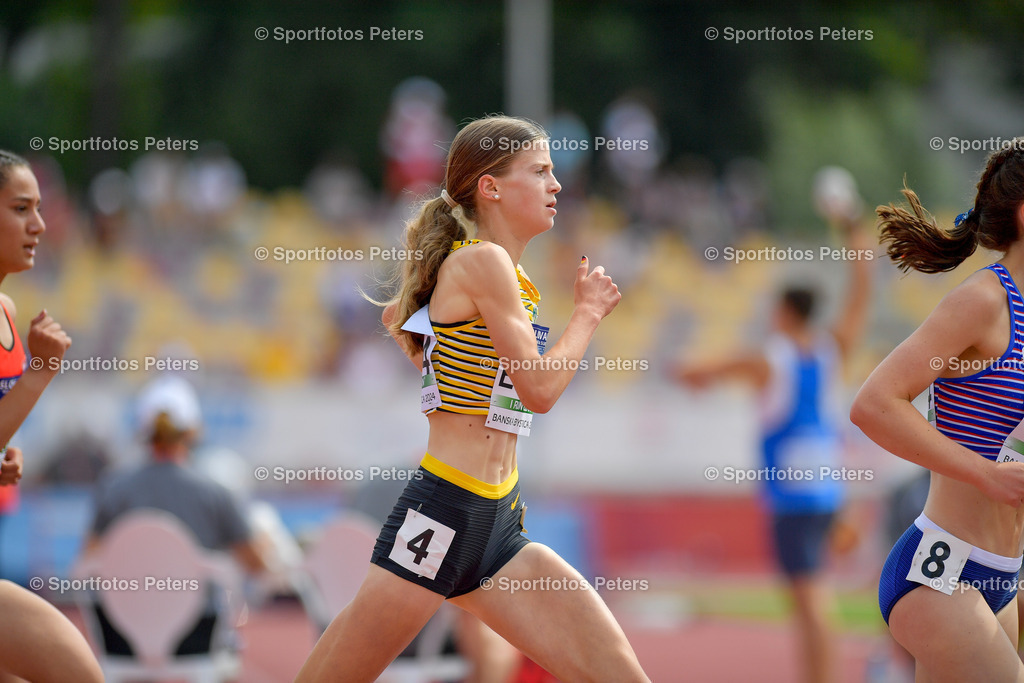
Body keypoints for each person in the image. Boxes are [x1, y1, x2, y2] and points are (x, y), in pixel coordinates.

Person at [296, 115, 649, 682]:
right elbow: (537, 391)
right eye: (540, 171)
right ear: (491, 187)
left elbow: (397, 319)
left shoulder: (507, 274)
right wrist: (586, 314)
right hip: (443, 513)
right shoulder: (483, 262)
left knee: (617, 673)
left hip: (497, 520)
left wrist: (442, 371)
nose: (556, 185)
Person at [853, 140, 1024, 680]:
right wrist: (987, 475)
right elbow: (874, 404)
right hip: (940, 572)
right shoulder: (983, 304)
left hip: (1005, 575)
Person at [676, 218, 872, 683]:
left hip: (792, 493)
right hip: (827, 486)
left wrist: (691, 373)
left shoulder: (769, 356)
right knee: (808, 599)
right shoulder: (832, 349)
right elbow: (862, 293)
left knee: (811, 599)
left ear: (784, 312)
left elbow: (700, 371)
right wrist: (854, 235)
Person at [0, 150, 103, 683]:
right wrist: (39, 372)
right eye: (21, 208)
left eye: (40, 208)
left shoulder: (9, 312)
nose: (39, 224)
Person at [84, 374, 270, 656]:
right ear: (192, 430)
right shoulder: (215, 492)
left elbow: (88, 562)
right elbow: (256, 566)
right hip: (196, 638)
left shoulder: (113, 488)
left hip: (121, 638)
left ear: (142, 429)